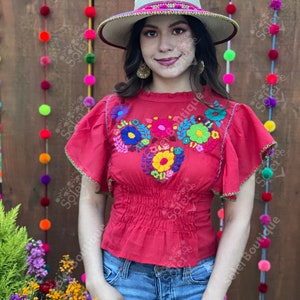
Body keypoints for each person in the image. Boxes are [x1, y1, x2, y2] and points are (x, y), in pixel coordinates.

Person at [65, 1, 276, 299]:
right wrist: (96, 283)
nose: (164, 45)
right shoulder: (111, 112)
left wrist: (213, 294)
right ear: (139, 43)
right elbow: (90, 202)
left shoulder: (230, 119)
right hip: (120, 280)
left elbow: (237, 218)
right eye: (151, 33)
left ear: (198, 39)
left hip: (198, 283)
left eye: (178, 30)